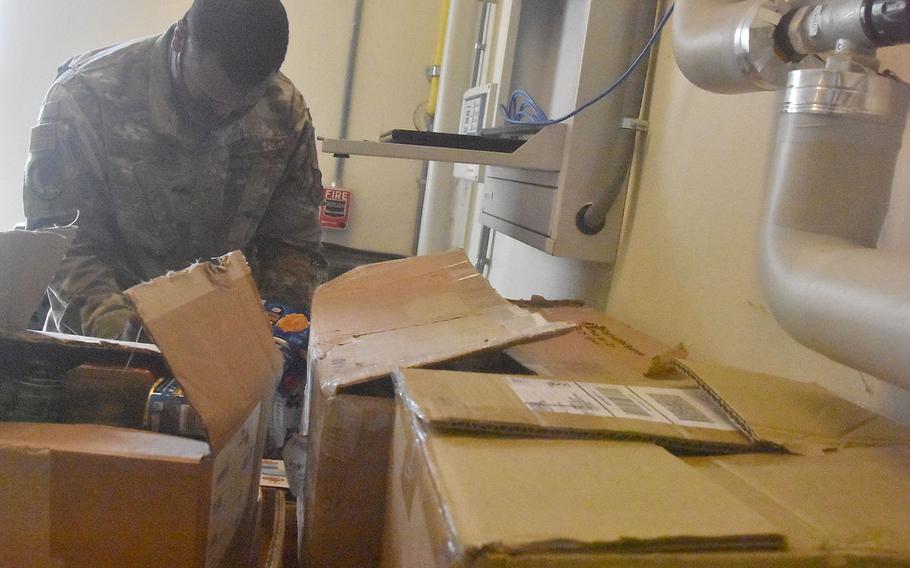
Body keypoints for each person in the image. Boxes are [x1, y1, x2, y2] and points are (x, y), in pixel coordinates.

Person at [22, 0, 324, 340]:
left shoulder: (283, 111)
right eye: (207, 100)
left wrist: (277, 331)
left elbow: (293, 245)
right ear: (181, 38)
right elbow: (61, 244)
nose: (221, 116)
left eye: (241, 109)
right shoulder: (86, 96)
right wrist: (126, 333)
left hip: (226, 343)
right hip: (104, 350)